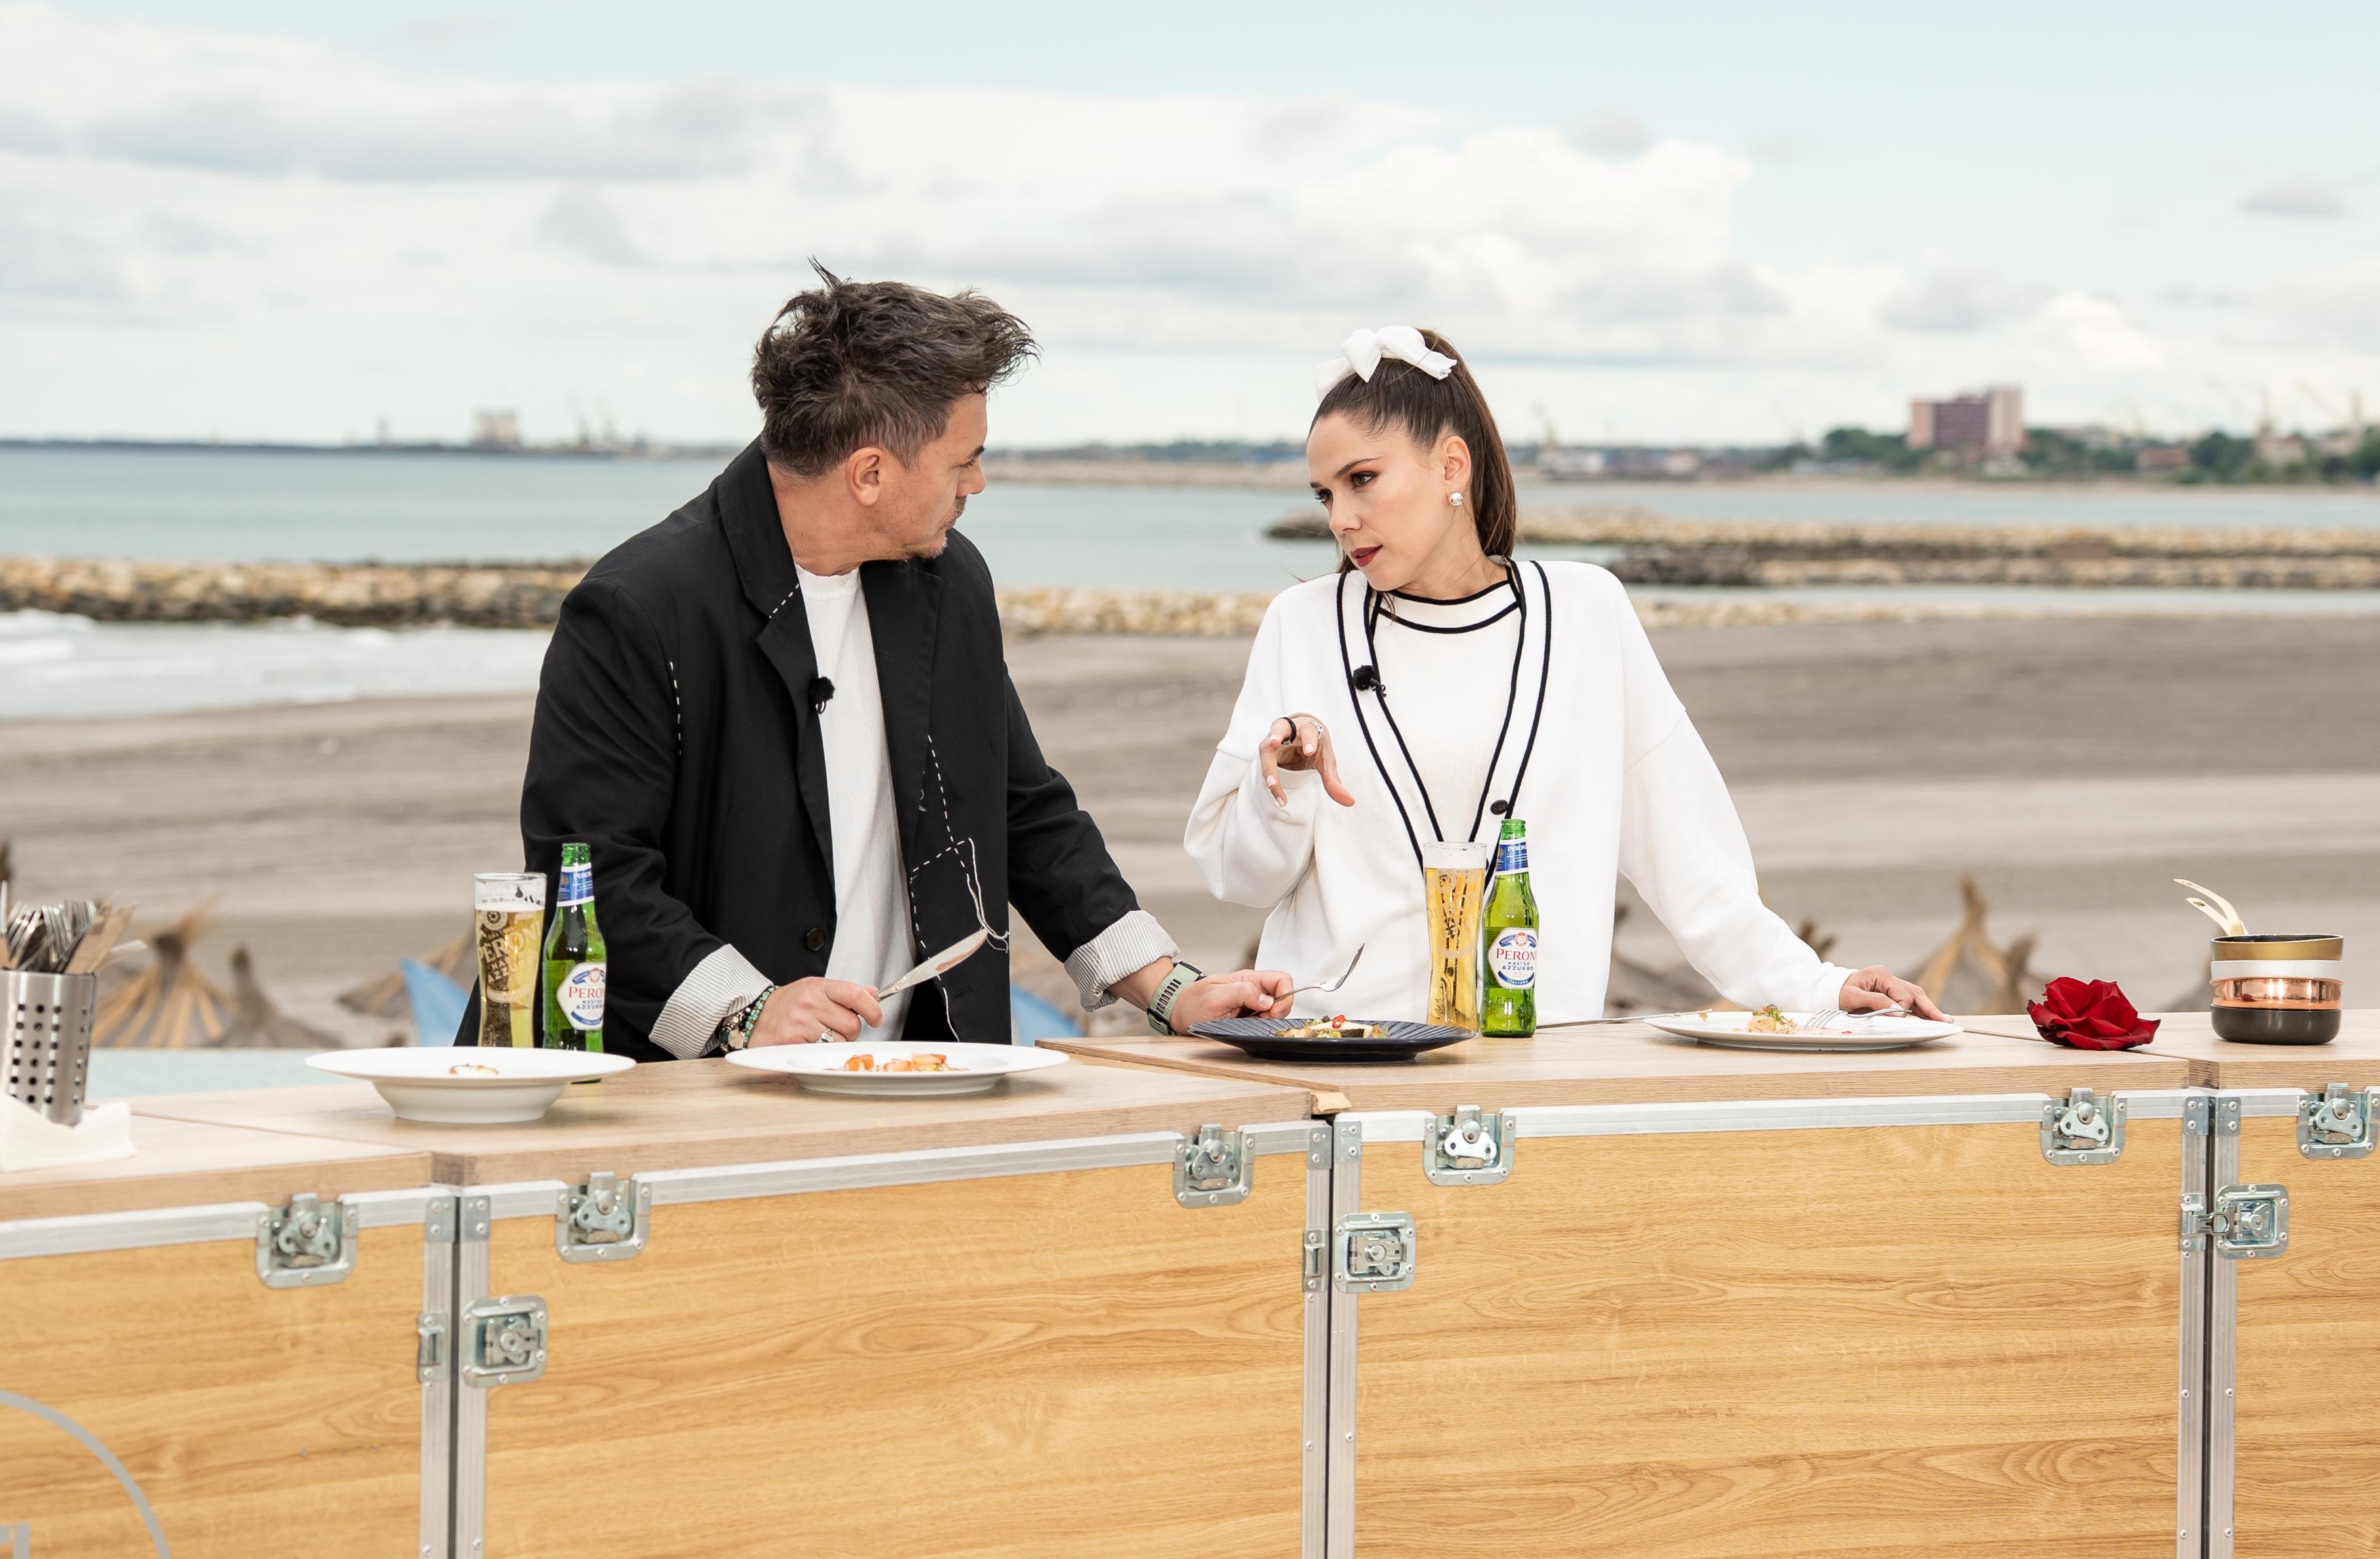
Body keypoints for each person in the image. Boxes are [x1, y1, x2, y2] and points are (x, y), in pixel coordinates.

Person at [500, 266, 1291, 1060]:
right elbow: (587, 874)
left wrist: (1169, 987)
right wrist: (747, 1009)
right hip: (681, 1091)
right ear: (870, 473)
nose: (977, 482)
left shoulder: (951, 582)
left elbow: (1022, 810)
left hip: (916, 1070)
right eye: (963, 461)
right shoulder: (635, 608)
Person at [1184, 326, 1943, 1025]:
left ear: (1451, 465)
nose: (1339, 519)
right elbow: (1238, 878)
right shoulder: (1302, 624)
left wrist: (1816, 987)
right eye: (1325, 494)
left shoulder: (1585, 613)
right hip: (1340, 1055)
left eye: (1362, 479)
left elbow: (1687, 852)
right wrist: (1284, 780)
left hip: (1538, 1063)